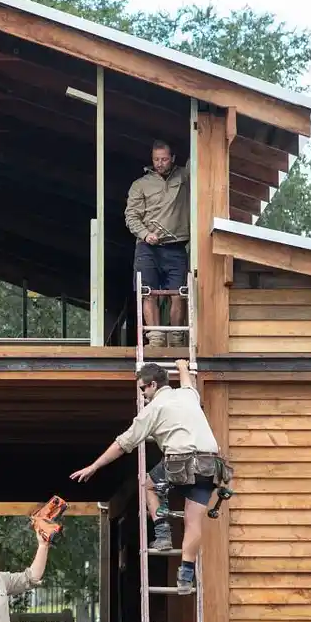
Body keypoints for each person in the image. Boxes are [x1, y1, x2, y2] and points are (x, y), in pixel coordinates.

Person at [70, 360, 230, 594]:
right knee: (193, 521)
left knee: (148, 485)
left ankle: (162, 533)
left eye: (143, 388)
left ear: (153, 385)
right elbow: (187, 382)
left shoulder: (153, 409)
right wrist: (183, 365)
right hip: (210, 465)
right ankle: (185, 577)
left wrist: (94, 466)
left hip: (181, 461)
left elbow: (122, 444)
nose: (143, 394)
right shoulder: (187, 396)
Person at [124, 140, 189, 346]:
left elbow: (198, 161)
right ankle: (155, 339)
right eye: (156, 159)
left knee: (179, 293)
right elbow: (131, 216)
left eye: (164, 159)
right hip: (148, 247)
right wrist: (145, 234)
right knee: (147, 292)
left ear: (173, 159)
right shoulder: (140, 184)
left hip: (177, 245)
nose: (160, 163)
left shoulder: (185, 177)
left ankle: (177, 338)